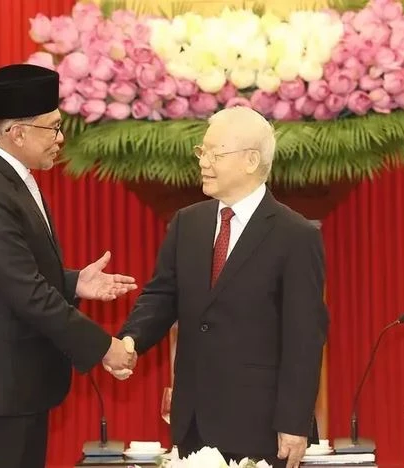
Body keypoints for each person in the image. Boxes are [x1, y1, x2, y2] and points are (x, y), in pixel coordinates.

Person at [0, 63, 137, 468]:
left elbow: (12, 274)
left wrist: (74, 282)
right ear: (17, 132)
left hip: (13, 385)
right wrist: (103, 347)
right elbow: (27, 292)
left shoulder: (7, 175)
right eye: (53, 128)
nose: (61, 139)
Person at [111, 106, 329, 468]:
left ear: (250, 160)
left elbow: (305, 337)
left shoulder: (296, 235)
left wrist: (293, 423)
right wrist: (132, 339)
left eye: (214, 153)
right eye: (201, 152)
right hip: (194, 419)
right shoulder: (188, 223)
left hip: (262, 424)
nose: (203, 161)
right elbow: (162, 295)